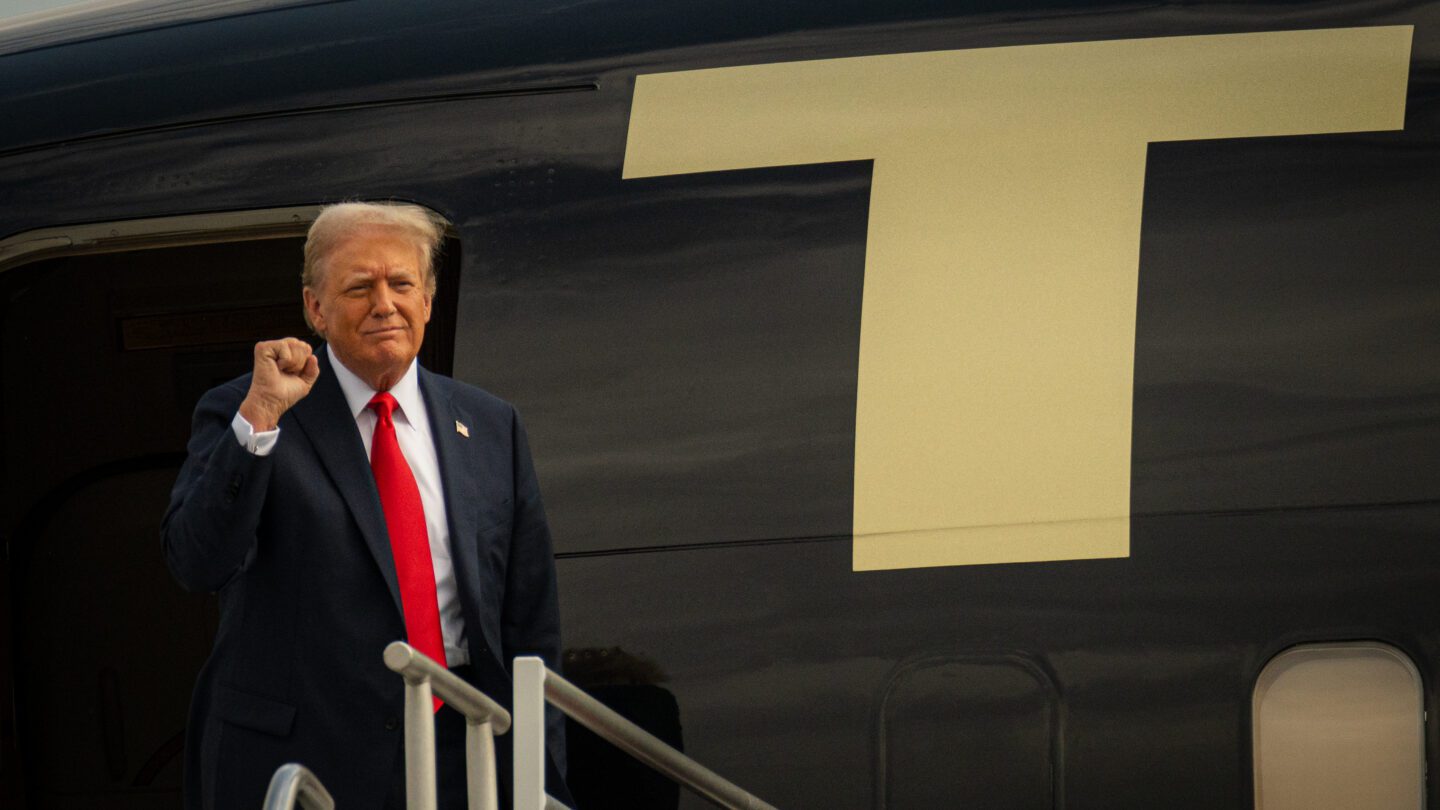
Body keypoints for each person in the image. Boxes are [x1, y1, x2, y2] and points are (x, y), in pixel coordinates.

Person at [162, 201, 569, 810]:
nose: (384, 303)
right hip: (303, 763)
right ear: (315, 309)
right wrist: (260, 419)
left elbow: (529, 626)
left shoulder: (489, 425)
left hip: (460, 761)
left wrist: (542, 783)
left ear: (428, 301)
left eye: (402, 283)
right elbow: (196, 561)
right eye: (359, 287)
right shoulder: (246, 410)